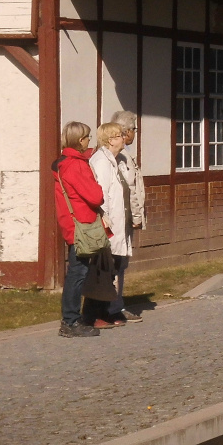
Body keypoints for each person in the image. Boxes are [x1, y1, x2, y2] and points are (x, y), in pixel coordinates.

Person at [52, 121, 104, 338]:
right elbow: (95, 195)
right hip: (80, 225)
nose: (89, 140)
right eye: (87, 137)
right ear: (79, 140)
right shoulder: (75, 165)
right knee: (78, 272)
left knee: (78, 271)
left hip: (73, 223)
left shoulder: (65, 163)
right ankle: (71, 320)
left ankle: (72, 318)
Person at [90, 122, 137, 326]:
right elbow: (103, 196)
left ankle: (109, 310)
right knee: (105, 269)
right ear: (110, 140)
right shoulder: (101, 161)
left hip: (119, 222)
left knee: (114, 267)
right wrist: (106, 223)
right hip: (108, 224)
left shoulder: (116, 160)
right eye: (119, 136)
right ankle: (99, 313)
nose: (123, 139)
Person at [109, 110, 145, 322]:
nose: (134, 134)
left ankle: (115, 304)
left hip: (123, 216)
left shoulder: (124, 154)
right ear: (126, 131)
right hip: (121, 217)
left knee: (120, 263)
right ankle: (114, 306)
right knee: (117, 263)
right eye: (134, 130)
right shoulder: (121, 157)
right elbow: (129, 189)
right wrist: (137, 215)